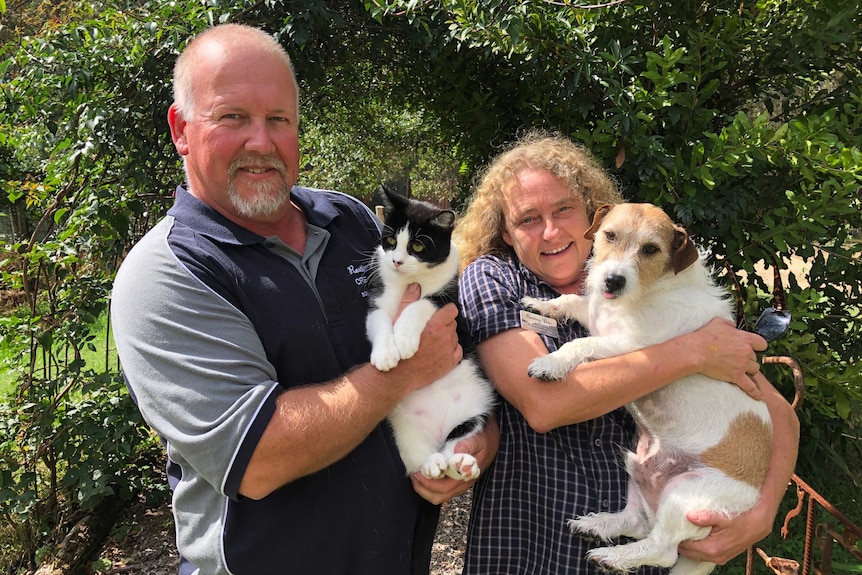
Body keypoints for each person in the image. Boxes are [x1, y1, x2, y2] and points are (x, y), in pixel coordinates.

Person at [110, 23, 497, 575]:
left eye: (279, 120)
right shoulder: (166, 275)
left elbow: (451, 349)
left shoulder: (353, 222)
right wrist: (405, 373)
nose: (261, 142)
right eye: (233, 117)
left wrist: (473, 437)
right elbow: (260, 458)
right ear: (181, 129)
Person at [454, 131, 800, 574]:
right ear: (504, 230)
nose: (552, 230)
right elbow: (544, 404)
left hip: (651, 534)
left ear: (589, 215)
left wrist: (762, 512)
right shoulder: (494, 279)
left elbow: (779, 416)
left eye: (564, 210)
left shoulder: (660, 293)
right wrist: (693, 352)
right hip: (535, 537)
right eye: (527, 219)